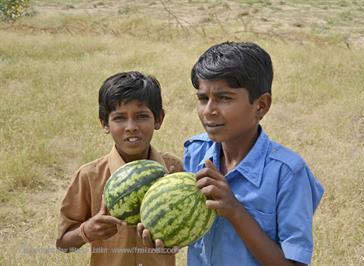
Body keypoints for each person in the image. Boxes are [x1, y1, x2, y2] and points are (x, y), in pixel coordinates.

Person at [184, 42, 324, 266]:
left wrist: (235, 211)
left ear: (261, 105)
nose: (209, 110)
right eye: (203, 98)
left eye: (224, 98)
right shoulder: (195, 152)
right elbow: (189, 228)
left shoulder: (287, 173)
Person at [56, 71, 183, 266]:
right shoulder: (90, 176)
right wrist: (86, 231)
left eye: (141, 116)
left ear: (158, 119)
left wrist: (176, 241)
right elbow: (64, 244)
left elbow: (184, 227)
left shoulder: (174, 171)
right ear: (104, 123)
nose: (131, 127)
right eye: (119, 118)